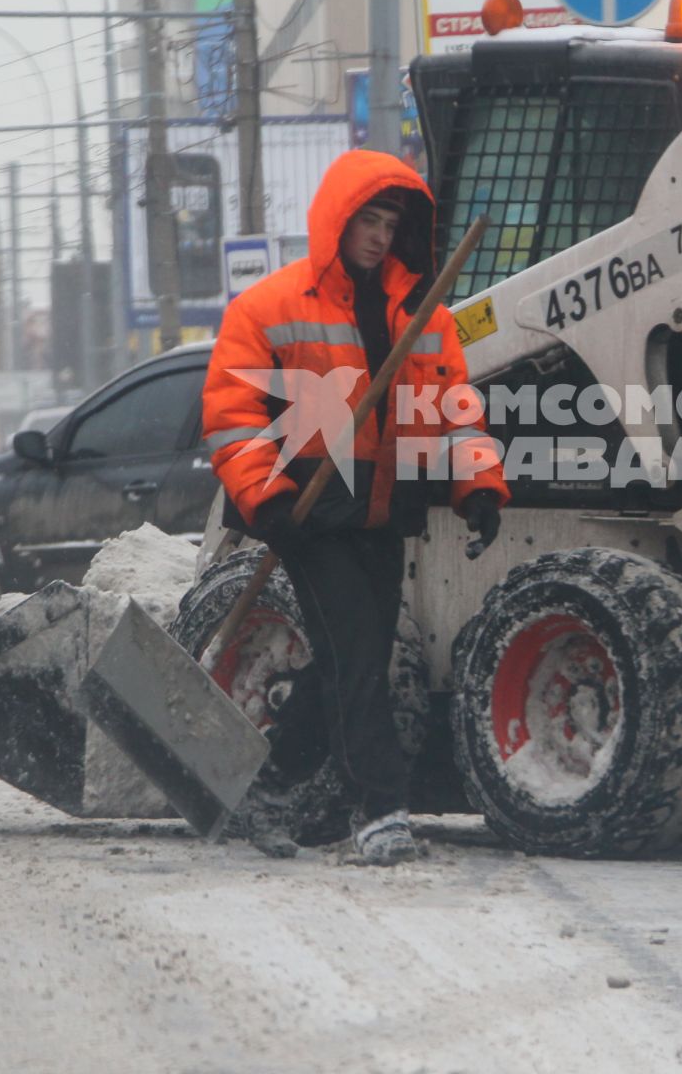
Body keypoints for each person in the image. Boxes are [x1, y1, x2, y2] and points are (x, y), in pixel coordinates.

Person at [201, 148, 509, 865]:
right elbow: (231, 413)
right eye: (366, 220)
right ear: (335, 222)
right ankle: (379, 809)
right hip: (309, 514)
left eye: (389, 222)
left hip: (383, 510)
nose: (377, 235)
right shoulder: (270, 307)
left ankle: (270, 782)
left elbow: (455, 407)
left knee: (352, 657)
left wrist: (478, 485)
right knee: (357, 657)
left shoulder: (422, 312)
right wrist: (265, 496)